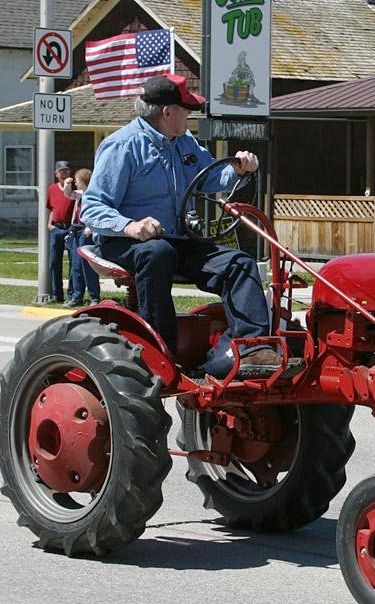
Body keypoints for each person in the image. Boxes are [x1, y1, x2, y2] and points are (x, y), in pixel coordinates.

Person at [81, 73, 281, 377]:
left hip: (177, 238)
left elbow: (211, 177)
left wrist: (237, 169)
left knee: (238, 262)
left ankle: (253, 348)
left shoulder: (185, 143)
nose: (190, 114)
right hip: (126, 242)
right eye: (187, 109)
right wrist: (131, 226)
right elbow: (92, 207)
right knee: (157, 253)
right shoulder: (122, 146)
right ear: (168, 113)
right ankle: (162, 351)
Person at [62, 168, 101, 307]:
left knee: (87, 266)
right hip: (76, 230)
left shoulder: (93, 195)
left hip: (86, 230)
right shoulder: (79, 194)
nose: (76, 183)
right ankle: (76, 296)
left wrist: (91, 227)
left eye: (77, 181)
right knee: (76, 266)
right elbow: (68, 194)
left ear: (84, 181)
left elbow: (96, 212)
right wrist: (67, 184)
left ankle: (94, 297)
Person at [46, 160, 76, 302]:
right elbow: (52, 207)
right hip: (56, 228)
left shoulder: (75, 188)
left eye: (66, 170)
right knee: (54, 262)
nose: (64, 173)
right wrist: (49, 223)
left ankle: (72, 294)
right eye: (61, 171)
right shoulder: (52, 188)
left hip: (70, 228)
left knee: (72, 262)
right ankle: (57, 294)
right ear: (56, 173)